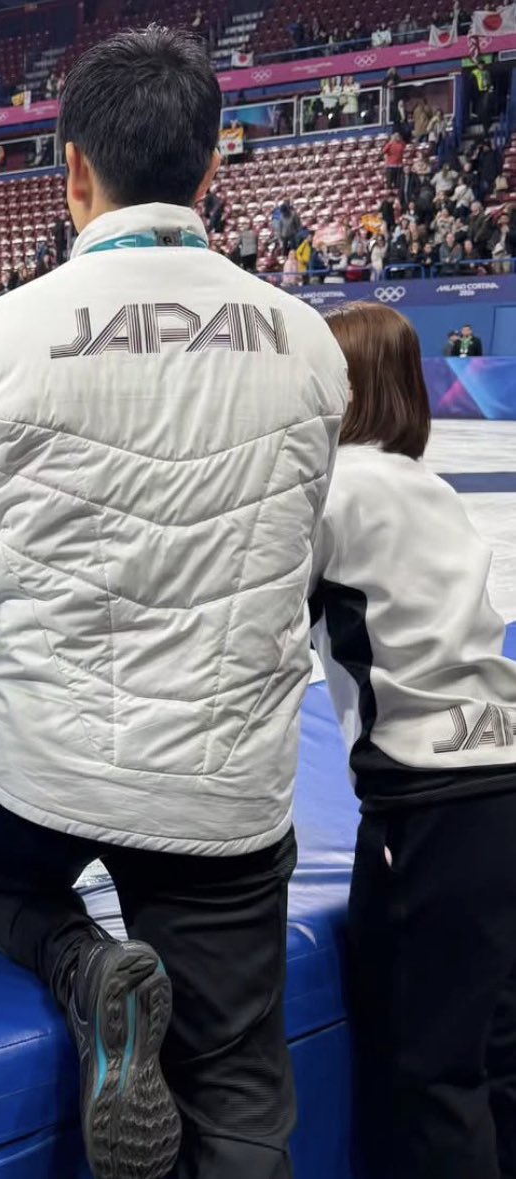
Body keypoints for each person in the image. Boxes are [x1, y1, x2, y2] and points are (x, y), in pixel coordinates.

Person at [0, 28, 348, 1179]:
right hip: (224, 788)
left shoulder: (1, 334)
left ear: (73, 170)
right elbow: (305, 544)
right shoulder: (311, 345)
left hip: (41, 769)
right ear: (214, 172)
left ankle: (84, 969)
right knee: (243, 1077)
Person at [312, 301, 516, 1179]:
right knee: (493, 1053)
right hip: (499, 771)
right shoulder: (424, 485)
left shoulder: (331, 487)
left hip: (427, 802)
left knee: (429, 1071)